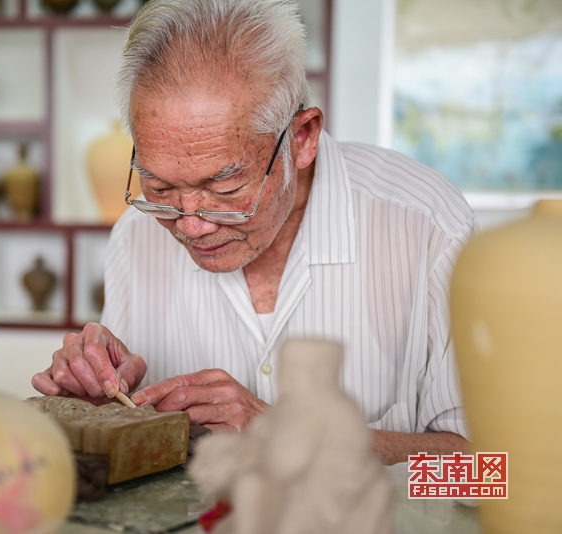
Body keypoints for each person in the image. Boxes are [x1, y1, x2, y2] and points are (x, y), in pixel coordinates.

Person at [32, 0, 476, 465]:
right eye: (159, 185)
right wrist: (99, 409)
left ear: (301, 138)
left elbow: (492, 477)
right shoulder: (135, 238)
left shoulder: (428, 229)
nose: (191, 224)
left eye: (224, 187)